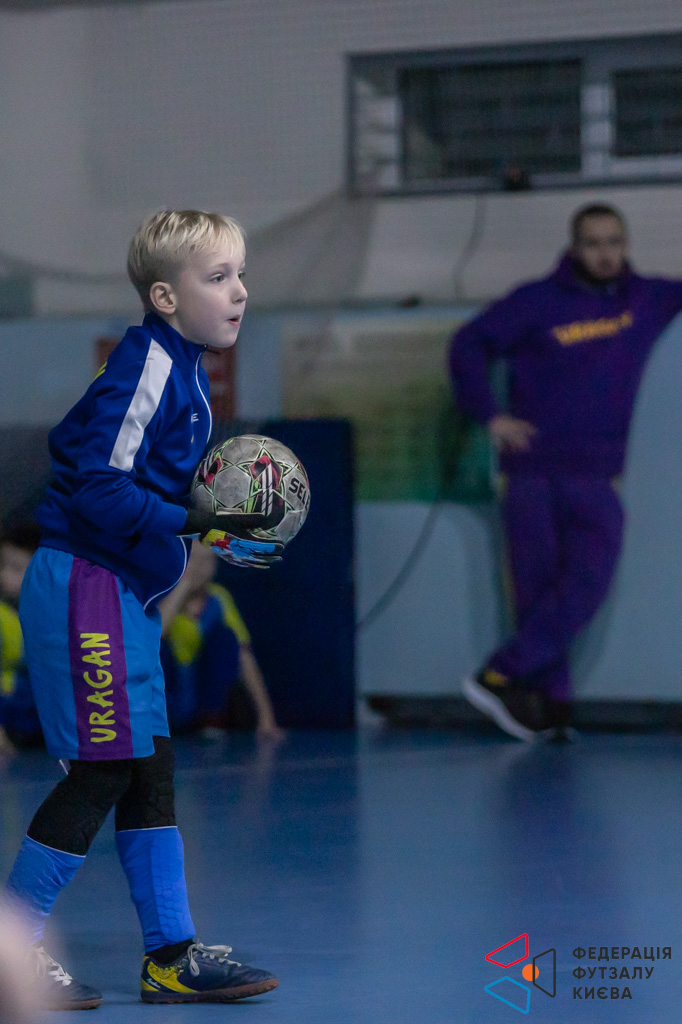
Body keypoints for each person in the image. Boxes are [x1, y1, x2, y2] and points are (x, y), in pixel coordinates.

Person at [2, 209, 285, 1009]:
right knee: (105, 769)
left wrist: (203, 523)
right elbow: (97, 487)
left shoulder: (183, 371)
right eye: (218, 277)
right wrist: (194, 518)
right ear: (165, 296)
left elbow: (97, 461)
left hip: (123, 596)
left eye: (240, 274)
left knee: (149, 772)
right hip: (87, 588)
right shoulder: (150, 366)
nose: (240, 291)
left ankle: (171, 956)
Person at [450, 203, 682, 741]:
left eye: (614, 242)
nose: (605, 254)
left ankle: (497, 675)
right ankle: (550, 708)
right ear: (575, 249)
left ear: (626, 246)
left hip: (596, 475)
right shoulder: (536, 302)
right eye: (594, 243)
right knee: (537, 591)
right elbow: (469, 344)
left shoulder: (646, 299)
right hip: (532, 473)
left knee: (586, 583)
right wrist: (490, 415)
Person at [159, 541, 284, 740]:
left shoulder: (219, 598)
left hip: (200, 692)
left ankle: (210, 717)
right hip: (170, 695)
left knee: (226, 638)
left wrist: (266, 718)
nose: (200, 568)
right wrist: (183, 587)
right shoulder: (161, 594)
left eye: (207, 561)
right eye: (193, 560)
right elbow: (155, 637)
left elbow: (244, 656)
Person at [0, 522, 43, 753]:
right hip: (11, 720)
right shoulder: (3, 617)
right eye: (2, 565)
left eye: (15, 568)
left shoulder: (53, 617)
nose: (3, 575)